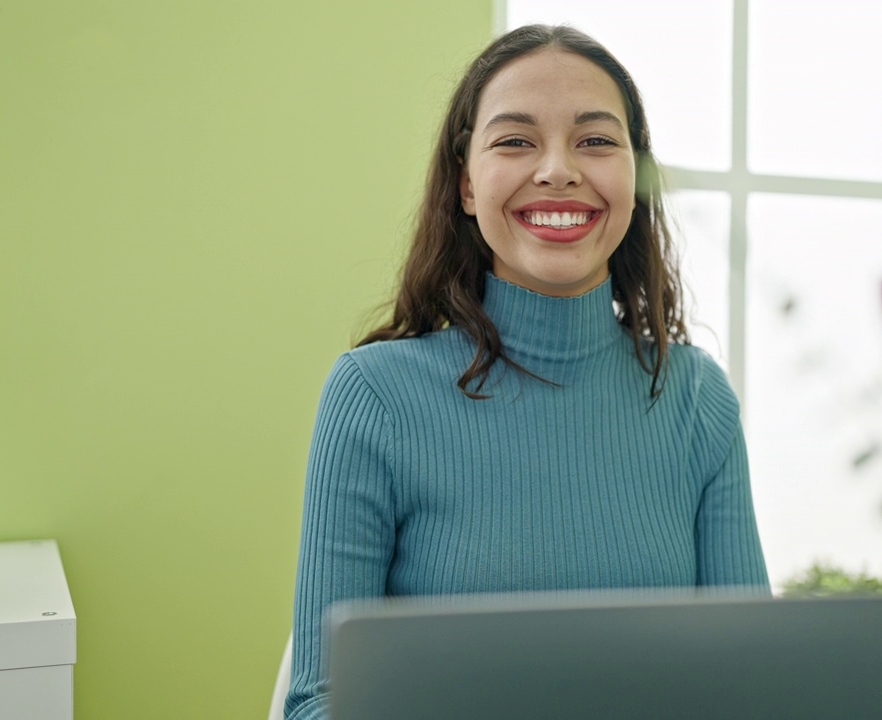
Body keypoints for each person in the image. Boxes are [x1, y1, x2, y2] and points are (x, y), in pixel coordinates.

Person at [285, 24, 769, 720]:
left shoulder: (697, 399)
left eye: (597, 141)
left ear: (636, 177)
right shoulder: (374, 395)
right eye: (515, 140)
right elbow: (319, 704)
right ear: (467, 185)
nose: (558, 169)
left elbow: (755, 685)